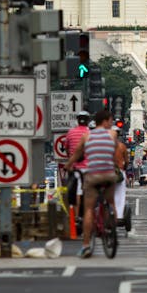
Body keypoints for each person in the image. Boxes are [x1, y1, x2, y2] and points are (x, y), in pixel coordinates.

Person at [64, 108, 117, 258]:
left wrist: (68, 165)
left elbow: (76, 154)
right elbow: (114, 152)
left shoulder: (87, 136)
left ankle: (86, 245)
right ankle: (111, 227)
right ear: (105, 121)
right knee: (111, 202)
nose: (112, 124)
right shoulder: (112, 134)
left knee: (88, 209)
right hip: (109, 174)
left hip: (92, 175)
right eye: (111, 121)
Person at [63, 112, 91, 215]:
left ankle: (77, 214)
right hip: (89, 167)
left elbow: (66, 148)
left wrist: (69, 160)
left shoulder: (71, 132)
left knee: (76, 192)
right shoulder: (90, 133)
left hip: (75, 168)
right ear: (88, 121)